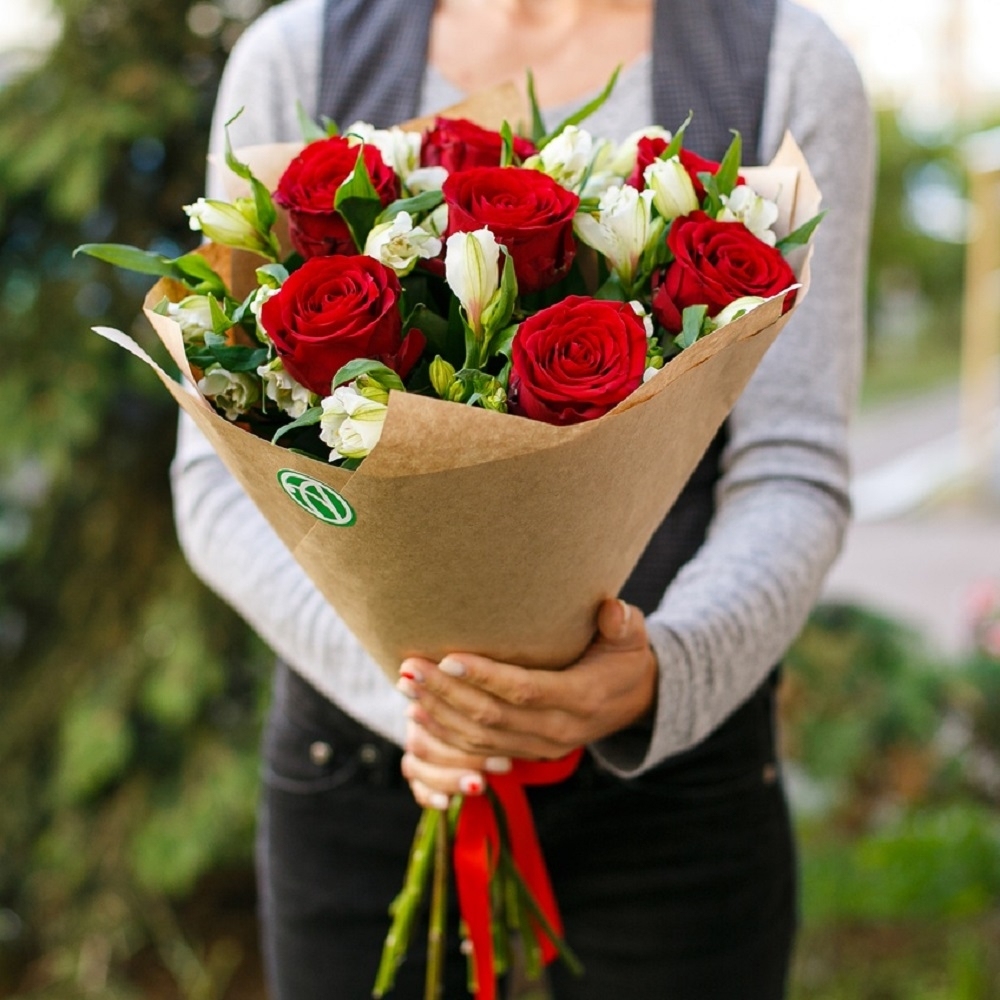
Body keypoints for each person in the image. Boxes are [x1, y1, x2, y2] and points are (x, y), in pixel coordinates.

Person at [171, 0, 875, 997]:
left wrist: (659, 676)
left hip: (674, 794)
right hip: (370, 768)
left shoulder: (784, 63)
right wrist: (428, 705)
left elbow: (791, 467)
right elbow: (216, 479)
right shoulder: (299, 54)